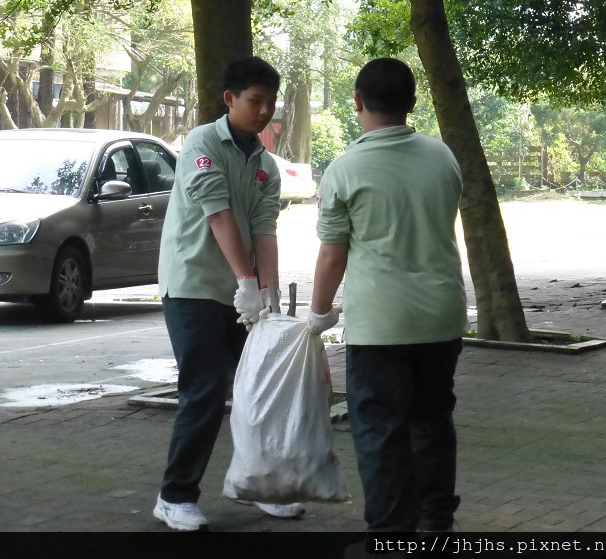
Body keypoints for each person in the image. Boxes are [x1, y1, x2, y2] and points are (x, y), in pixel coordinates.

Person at [308, 58, 468, 539]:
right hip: (442, 317)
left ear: (357, 102)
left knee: (379, 431)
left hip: (380, 325)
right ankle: (435, 523)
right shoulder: (443, 157)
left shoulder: (345, 168)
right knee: (432, 422)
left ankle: (390, 534)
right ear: (412, 103)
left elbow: (332, 256)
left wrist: (318, 314)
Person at [154, 56, 305, 532]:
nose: (264, 111)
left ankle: (261, 487)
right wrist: (245, 282)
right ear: (230, 99)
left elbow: (264, 228)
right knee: (204, 390)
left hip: (245, 296)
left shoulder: (265, 165)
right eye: (255, 101)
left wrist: (269, 291)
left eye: (270, 103)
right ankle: (174, 497)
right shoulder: (202, 142)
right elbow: (217, 214)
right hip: (193, 286)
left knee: (259, 391)